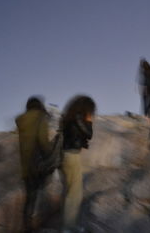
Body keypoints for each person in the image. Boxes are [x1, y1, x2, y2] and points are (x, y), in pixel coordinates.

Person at [16, 96, 52, 233]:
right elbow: (43, 142)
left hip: (26, 165)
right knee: (41, 193)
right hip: (38, 164)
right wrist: (51, 154)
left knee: (30, 197)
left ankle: (27, 226)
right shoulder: (40, 118)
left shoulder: (22, 121)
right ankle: (38, 225)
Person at [60, 95, 96, 232]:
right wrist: (89, 121)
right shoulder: (79, 118)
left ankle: (66, 225)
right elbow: (88, 134)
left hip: (64, 155)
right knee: (74, 193)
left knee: (67, 191)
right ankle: (68, 227)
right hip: (71, 155)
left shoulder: (68, 117)